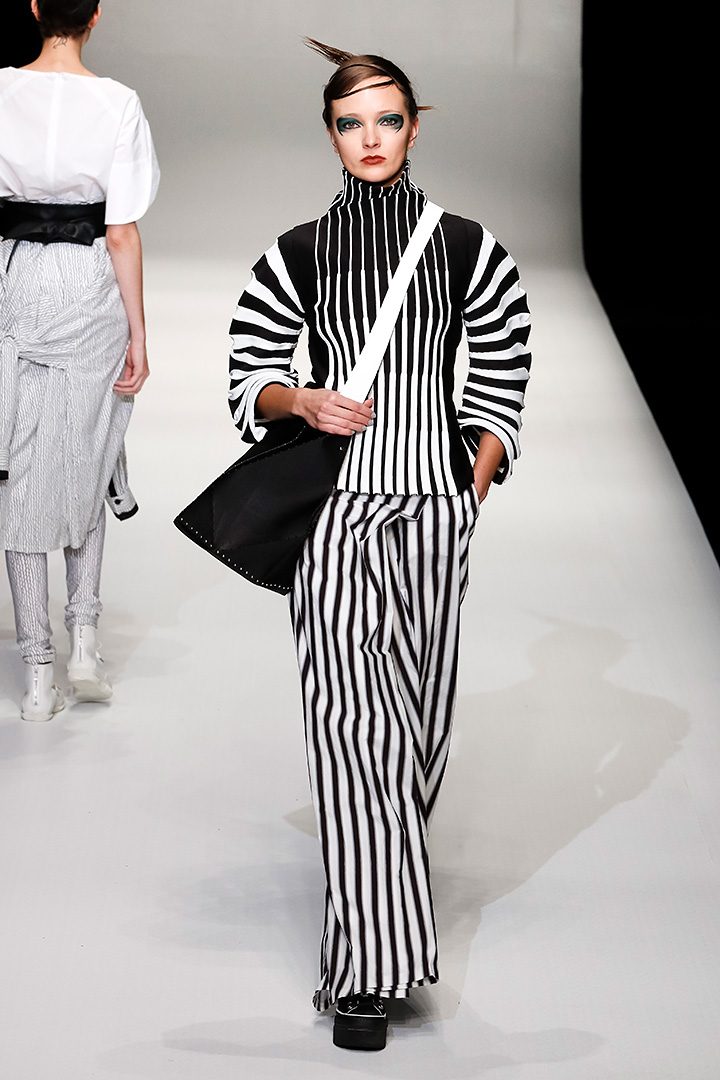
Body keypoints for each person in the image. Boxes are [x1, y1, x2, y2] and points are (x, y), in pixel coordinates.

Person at [227, 38, 531, 1051]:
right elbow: (248, 372)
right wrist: (303, 399)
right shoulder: (298, 250)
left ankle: (380, 896)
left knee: (418, 733)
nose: (371, 138)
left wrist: (478, 470)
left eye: (388, 119)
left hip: (435, 513)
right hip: (338, 514)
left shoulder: (467, 244)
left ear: (413, 127)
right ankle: (366, 972)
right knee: (355, 730)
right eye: (351, 122)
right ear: (329, 134)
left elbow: (506, 354)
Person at [0, 1, 159, 720]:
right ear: (96, 15)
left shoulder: (2, 93)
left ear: (35, 8)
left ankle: (38, 675)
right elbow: (121, 229)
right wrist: (139, 333)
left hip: (17, 282)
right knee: (87, 453)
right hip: (91, 282)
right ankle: (84, 643)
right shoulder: (117, 102)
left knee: (21, 468)